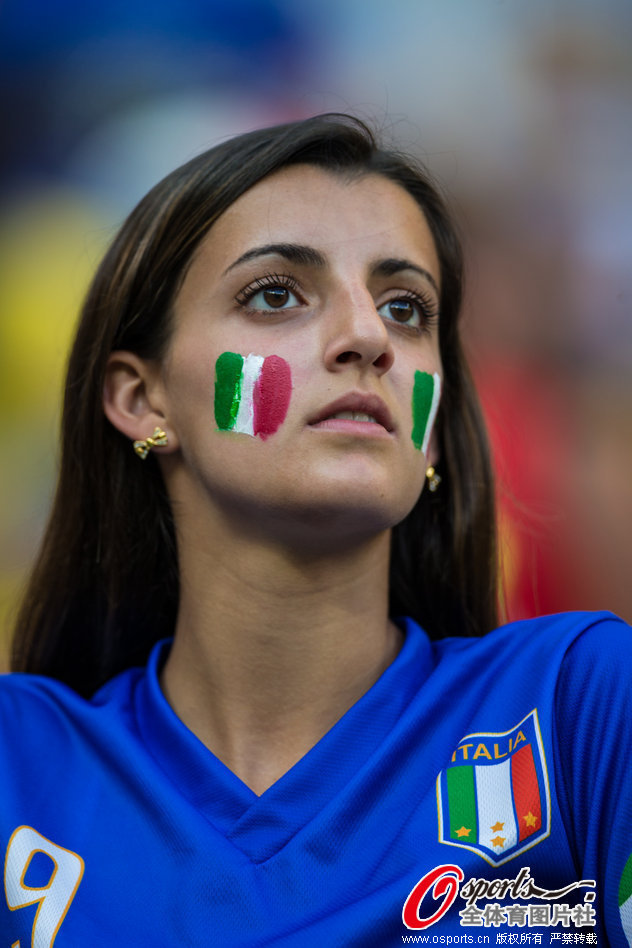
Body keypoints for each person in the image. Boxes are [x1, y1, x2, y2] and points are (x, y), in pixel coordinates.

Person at [2, 113, 630, 947]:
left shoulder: (580, 704)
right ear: (141, 399)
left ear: (433, 430)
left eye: (407, 308)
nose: (369, 337)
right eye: (276, 294)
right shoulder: (17, 764)